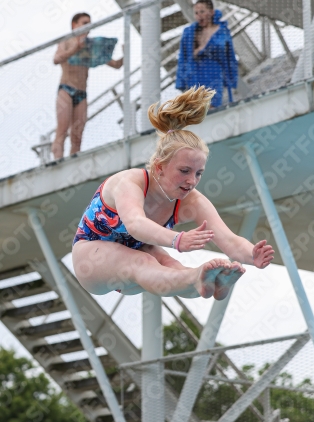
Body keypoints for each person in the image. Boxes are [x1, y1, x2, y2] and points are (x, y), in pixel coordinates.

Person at [72, 86, 274, 299]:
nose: (192, 181)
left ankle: (213, 284)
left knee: (171, 265)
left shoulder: (191, 200)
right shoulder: (130, 182)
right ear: (159, 167)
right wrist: (178, 240)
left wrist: (253, 255)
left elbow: (229, 240)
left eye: (199, 173)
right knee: (145, 261)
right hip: (92, 258)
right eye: (184, 171)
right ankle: (197, 279)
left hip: (136, 262)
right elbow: (136, 224)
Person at [52, 12, 123, 160]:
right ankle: (56, 164)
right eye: (84, 23)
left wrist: (124, 55)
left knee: (77, 136)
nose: (88, 26)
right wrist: (75, 48)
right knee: (62, 130)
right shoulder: (66, 41)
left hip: (82, 93)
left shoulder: (91, 45)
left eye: (89, 23)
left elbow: (115, 64)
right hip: (66, 89)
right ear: (74, 25)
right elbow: (56, 59)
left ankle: (73, 165)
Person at [176, 0, 238, 108]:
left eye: (202, 12)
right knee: (196, 111)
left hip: (214, 74)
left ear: (211, 12)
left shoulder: (222, 31)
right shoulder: (189, 32)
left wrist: (231, 79)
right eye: (196, 13)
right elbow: (182, 58)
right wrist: (180, 82)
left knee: (212, 108)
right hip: (194, 76)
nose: (199, 16)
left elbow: (230, 57)